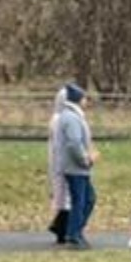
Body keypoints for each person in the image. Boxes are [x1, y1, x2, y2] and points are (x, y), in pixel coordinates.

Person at [47, 80, 97, 248]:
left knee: (87, 199)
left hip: (77, 168)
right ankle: (73, 234)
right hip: (76, 168)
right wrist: (86, 159)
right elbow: (74, 143)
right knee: (81, 201)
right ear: (77, 99)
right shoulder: (71, 118)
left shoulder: (71, 116)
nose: (86, 101)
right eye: (84, 98)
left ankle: (73, 232)